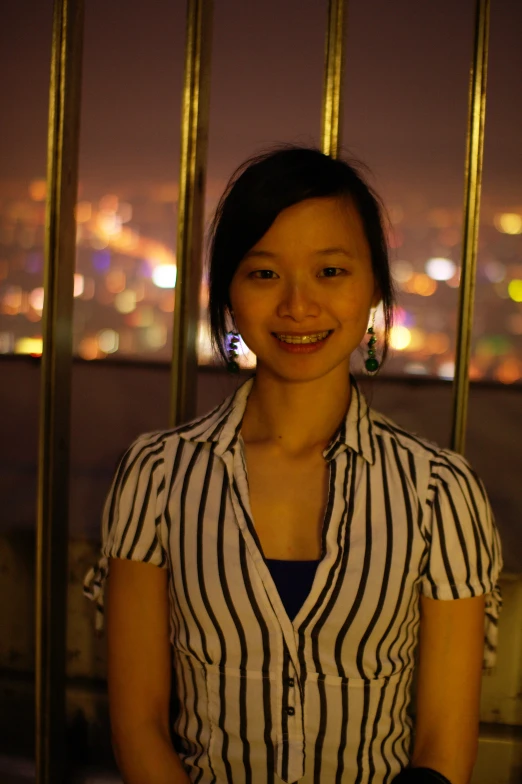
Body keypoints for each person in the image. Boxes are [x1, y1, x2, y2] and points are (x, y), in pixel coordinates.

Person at [84, 145, 503, 784]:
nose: (298, 307)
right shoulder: (158, 476)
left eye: (331, 272)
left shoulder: (438, 492)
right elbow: (139, 728)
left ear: (373, 290)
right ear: (228, 294)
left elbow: (444, 744)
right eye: (264, 274)